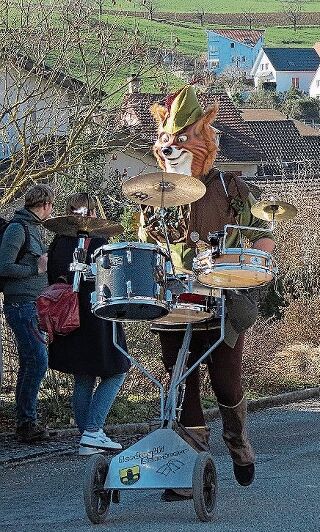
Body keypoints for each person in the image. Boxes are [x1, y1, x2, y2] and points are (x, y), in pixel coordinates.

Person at [140, 85, 274, 500]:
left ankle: (237, 440)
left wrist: (253, 269)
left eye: (182, 138)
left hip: (222, 299)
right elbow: (145, 245)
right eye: (166, 138)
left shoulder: (230, 188)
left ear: (203, 139)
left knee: (226, 383)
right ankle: (189, 466)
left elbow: (265, 236)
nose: (172, 146)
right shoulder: (153, 194)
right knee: (180, 382)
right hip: (173, 299)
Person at [46, 193, 130, 455]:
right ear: (93, 213)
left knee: (84, 377)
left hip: (68, 317)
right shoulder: (99, 242)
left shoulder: (59, 241)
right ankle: (93, 431)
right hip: (96, 315)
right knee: (118, 369)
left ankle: (86, 439)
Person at [0, 184, 54, 442]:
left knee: (30, 361)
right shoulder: (17, 228)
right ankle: (26, 422)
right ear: (45, 205)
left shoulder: (33, 229)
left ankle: (26, 424)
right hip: (20, 306)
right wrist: (36, 269)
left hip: (31, 305)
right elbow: (4, 267)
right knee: (38, 359)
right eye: (51, 206)